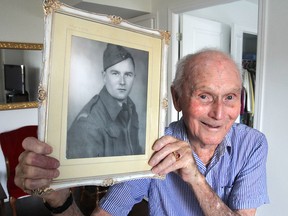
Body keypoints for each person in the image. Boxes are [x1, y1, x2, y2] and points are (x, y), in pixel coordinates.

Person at [15, 49, 269, 216]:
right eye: (204, 96)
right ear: (177, 98)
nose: (219, 112)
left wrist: (196, 178)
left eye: (230, 97)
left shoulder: (252, 145)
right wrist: (61, 200)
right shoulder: (154, 146)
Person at [67, 43, 143, 158]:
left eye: (128, 74)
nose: (122, 81)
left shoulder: (130, 107)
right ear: (104, 76)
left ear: (134, 77)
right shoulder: (88, 124)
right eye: (115, 73)